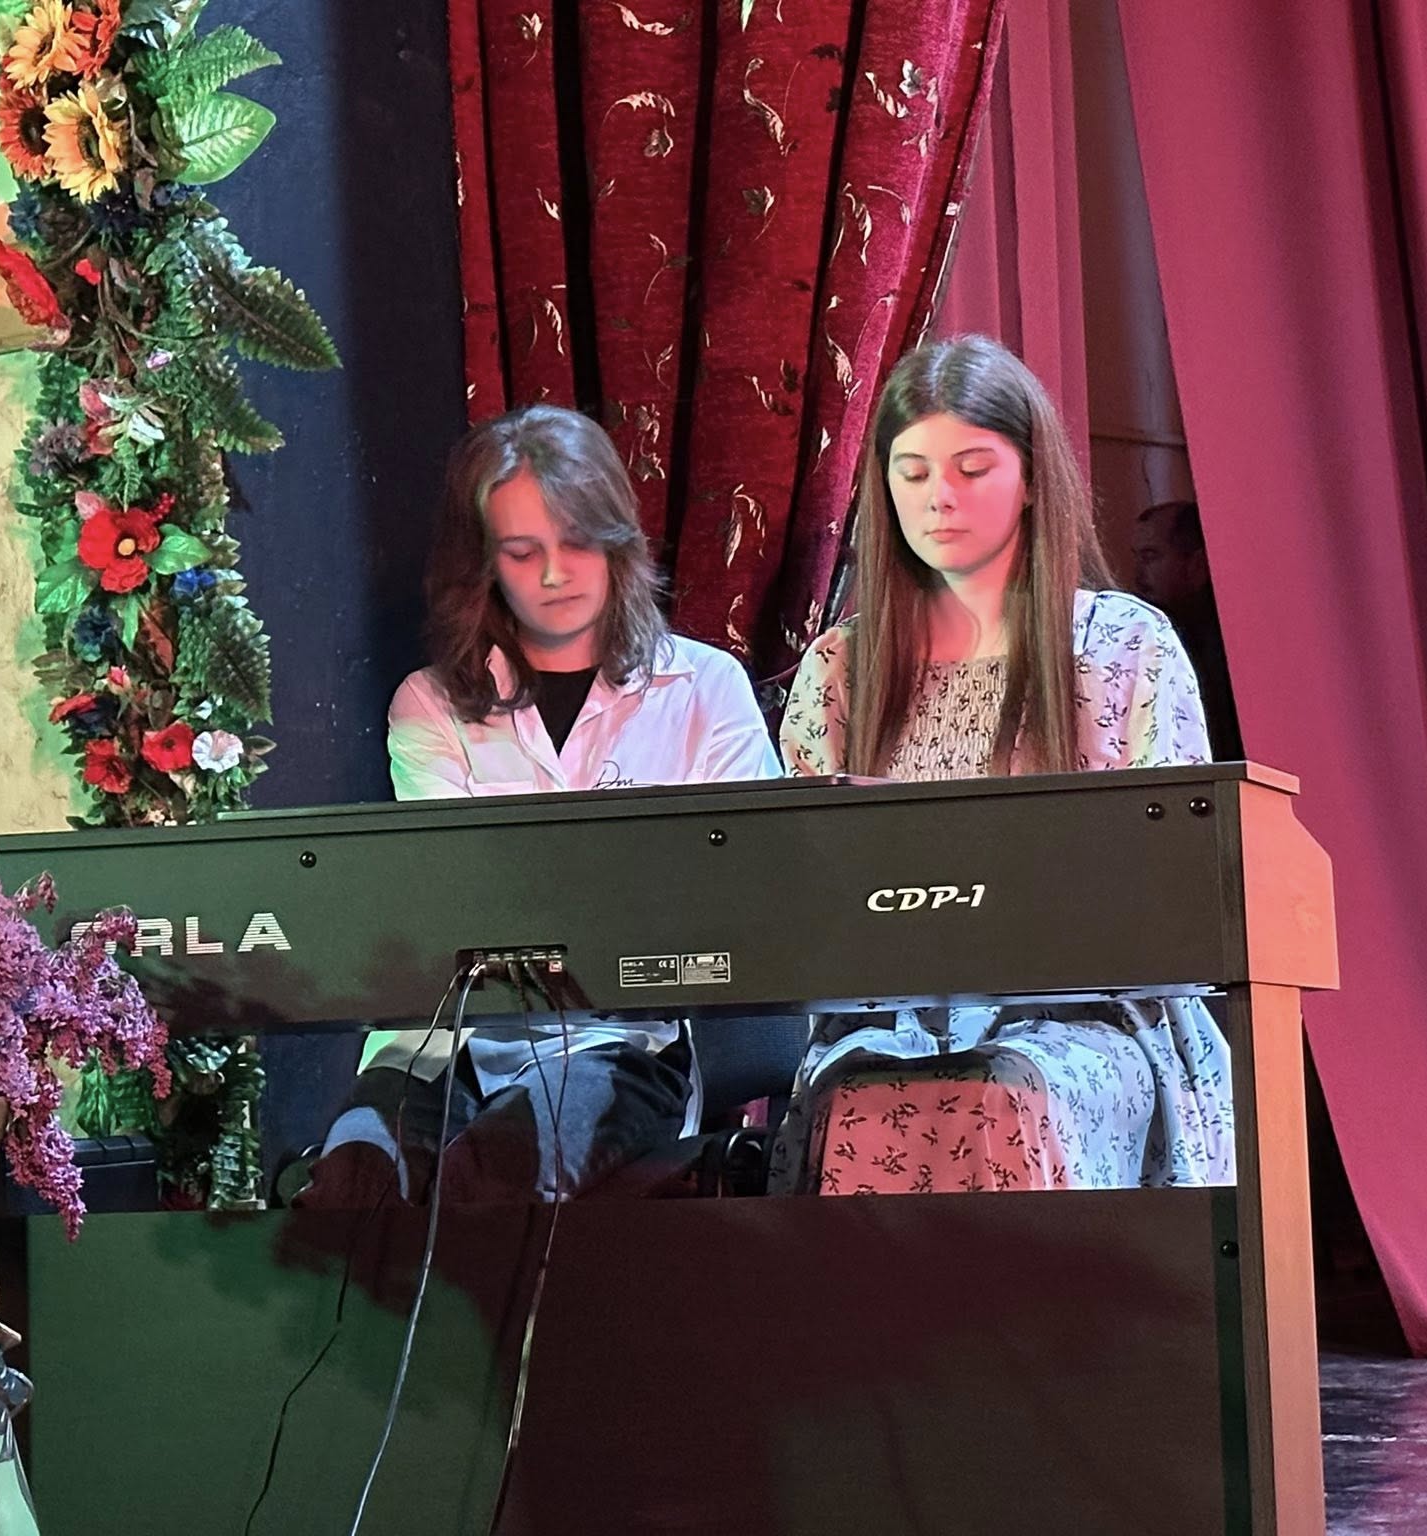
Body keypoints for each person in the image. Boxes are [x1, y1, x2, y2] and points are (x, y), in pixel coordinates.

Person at [770, 334, 1234, 1196]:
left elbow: (1177, 879)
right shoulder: (842, 665)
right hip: (892, 1027)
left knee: (997, 1093)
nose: (939, 497)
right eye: (912, 473)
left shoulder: (1123, 643)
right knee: (867, 1100)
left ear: (1030, 480)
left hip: (1095, 1021)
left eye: (972, 468)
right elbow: (799, 891)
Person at [291, 404, 781, 1208]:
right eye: (523, 552)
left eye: (577, 543)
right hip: (442, 1046)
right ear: (484, 563)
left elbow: (742, 885)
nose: (555, 574)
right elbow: (450, 899)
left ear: (618, 542)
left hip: (621, 1043)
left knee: (495, 1175)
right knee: (351, 1187)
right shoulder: (430, 705)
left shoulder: (704, 688)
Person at [1132, 499, 1243, 761]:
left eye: (1150, 557)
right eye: (1136, 557)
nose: (1137, 572)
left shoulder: (1230, 642)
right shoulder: (1144, 635)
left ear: (1198, 564)